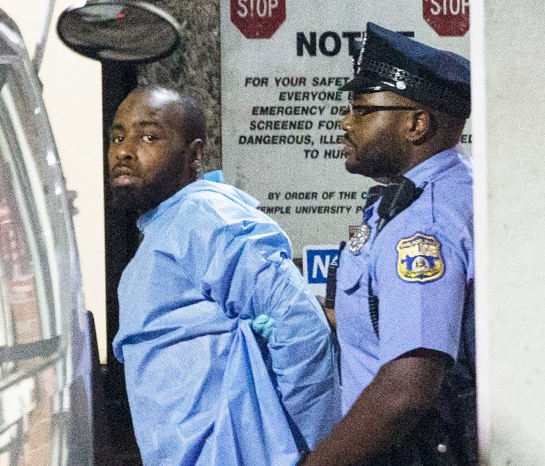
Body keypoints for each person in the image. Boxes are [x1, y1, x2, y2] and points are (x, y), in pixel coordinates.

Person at [110, 85, 340, 465]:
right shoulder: (166, 227)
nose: (124, 151)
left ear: (195, 154)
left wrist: (323, 451)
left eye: (149, 137)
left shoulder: (204, 217)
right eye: (118, 137)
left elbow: (300, 321)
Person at [303, 23, 476, 465]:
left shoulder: (423, 224)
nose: (345, 122)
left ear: (416, 124)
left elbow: (407, 389)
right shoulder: (443, 191)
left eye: (363, 110)